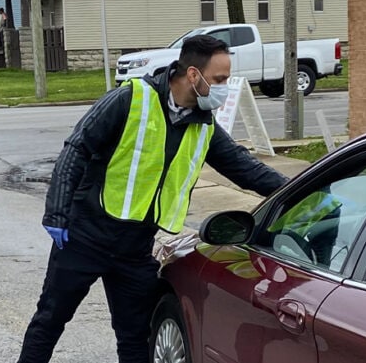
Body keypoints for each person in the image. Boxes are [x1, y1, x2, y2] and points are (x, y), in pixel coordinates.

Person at [18, 35, 288, 363]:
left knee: (135, 337)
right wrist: (57, 212)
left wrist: (306, 191)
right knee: (50, 321)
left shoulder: (203, 127)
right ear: (193, 75)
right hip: (83, 238)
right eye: (219, 79)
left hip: (135, 250)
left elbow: (248, 170)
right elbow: (77, 147)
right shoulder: (130, 99)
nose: (224, 87)